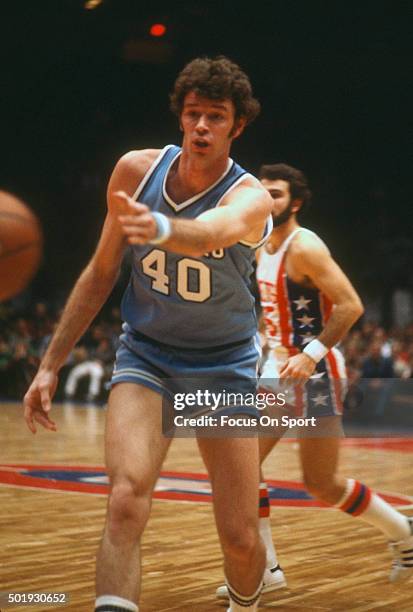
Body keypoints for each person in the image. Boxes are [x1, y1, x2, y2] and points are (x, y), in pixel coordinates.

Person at [23, 56, 274, 612]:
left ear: (238, 125)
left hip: (224, 366)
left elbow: (212, 231)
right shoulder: (136, 171)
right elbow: (100, 271)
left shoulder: (251, 196)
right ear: (180, 118)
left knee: (239, 538)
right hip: (148, 356)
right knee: (124, 501)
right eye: (193, 114)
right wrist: (49, 363)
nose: (202, 126)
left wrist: (159, 226)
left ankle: (246, 602)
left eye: (216, 116)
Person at [216, 163, 413, 600]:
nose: (269, 200)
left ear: (296, 202)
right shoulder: (260, 241)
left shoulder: (305, 247)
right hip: (278, 369)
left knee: (321, 483)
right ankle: (265, 569)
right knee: (241, 467)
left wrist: (310, 355)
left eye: (278, 194)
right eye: (264, 192)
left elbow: (350, 305)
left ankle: (403, 531)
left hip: (318, 372)